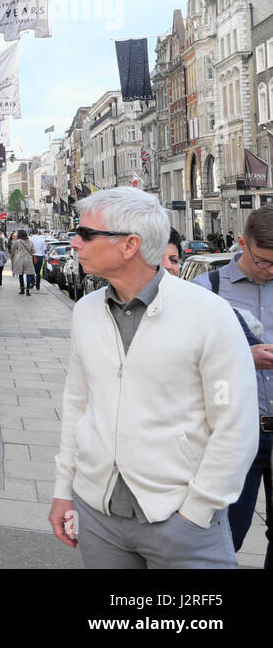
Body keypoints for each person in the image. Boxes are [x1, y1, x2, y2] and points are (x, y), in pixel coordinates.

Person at [49, 187, 258, 567]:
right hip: (99, 515)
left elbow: (235, 424)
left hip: (180, 519)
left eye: (86, 233)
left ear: (130, 245)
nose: (75, 242)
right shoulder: (86, 311)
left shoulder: (208, 314)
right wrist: (65, 490)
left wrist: (198, 510)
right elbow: (77, 403)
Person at [201, 207, 273, 569]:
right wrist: (245, 356)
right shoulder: (206, 291)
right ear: (242, 243)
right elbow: (182, 364)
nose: (271, 270)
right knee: (227, 534)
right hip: (236, 434)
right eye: (263, 261)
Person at [10, 230, 36, 296]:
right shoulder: (30, 242)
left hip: (19, 259)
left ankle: (22, 289)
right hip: (28, 260)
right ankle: (27, 290)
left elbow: (12, 250)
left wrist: (12, 257)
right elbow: (33, 251)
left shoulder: (17, 242)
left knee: (20, 274)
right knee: (29, 275)